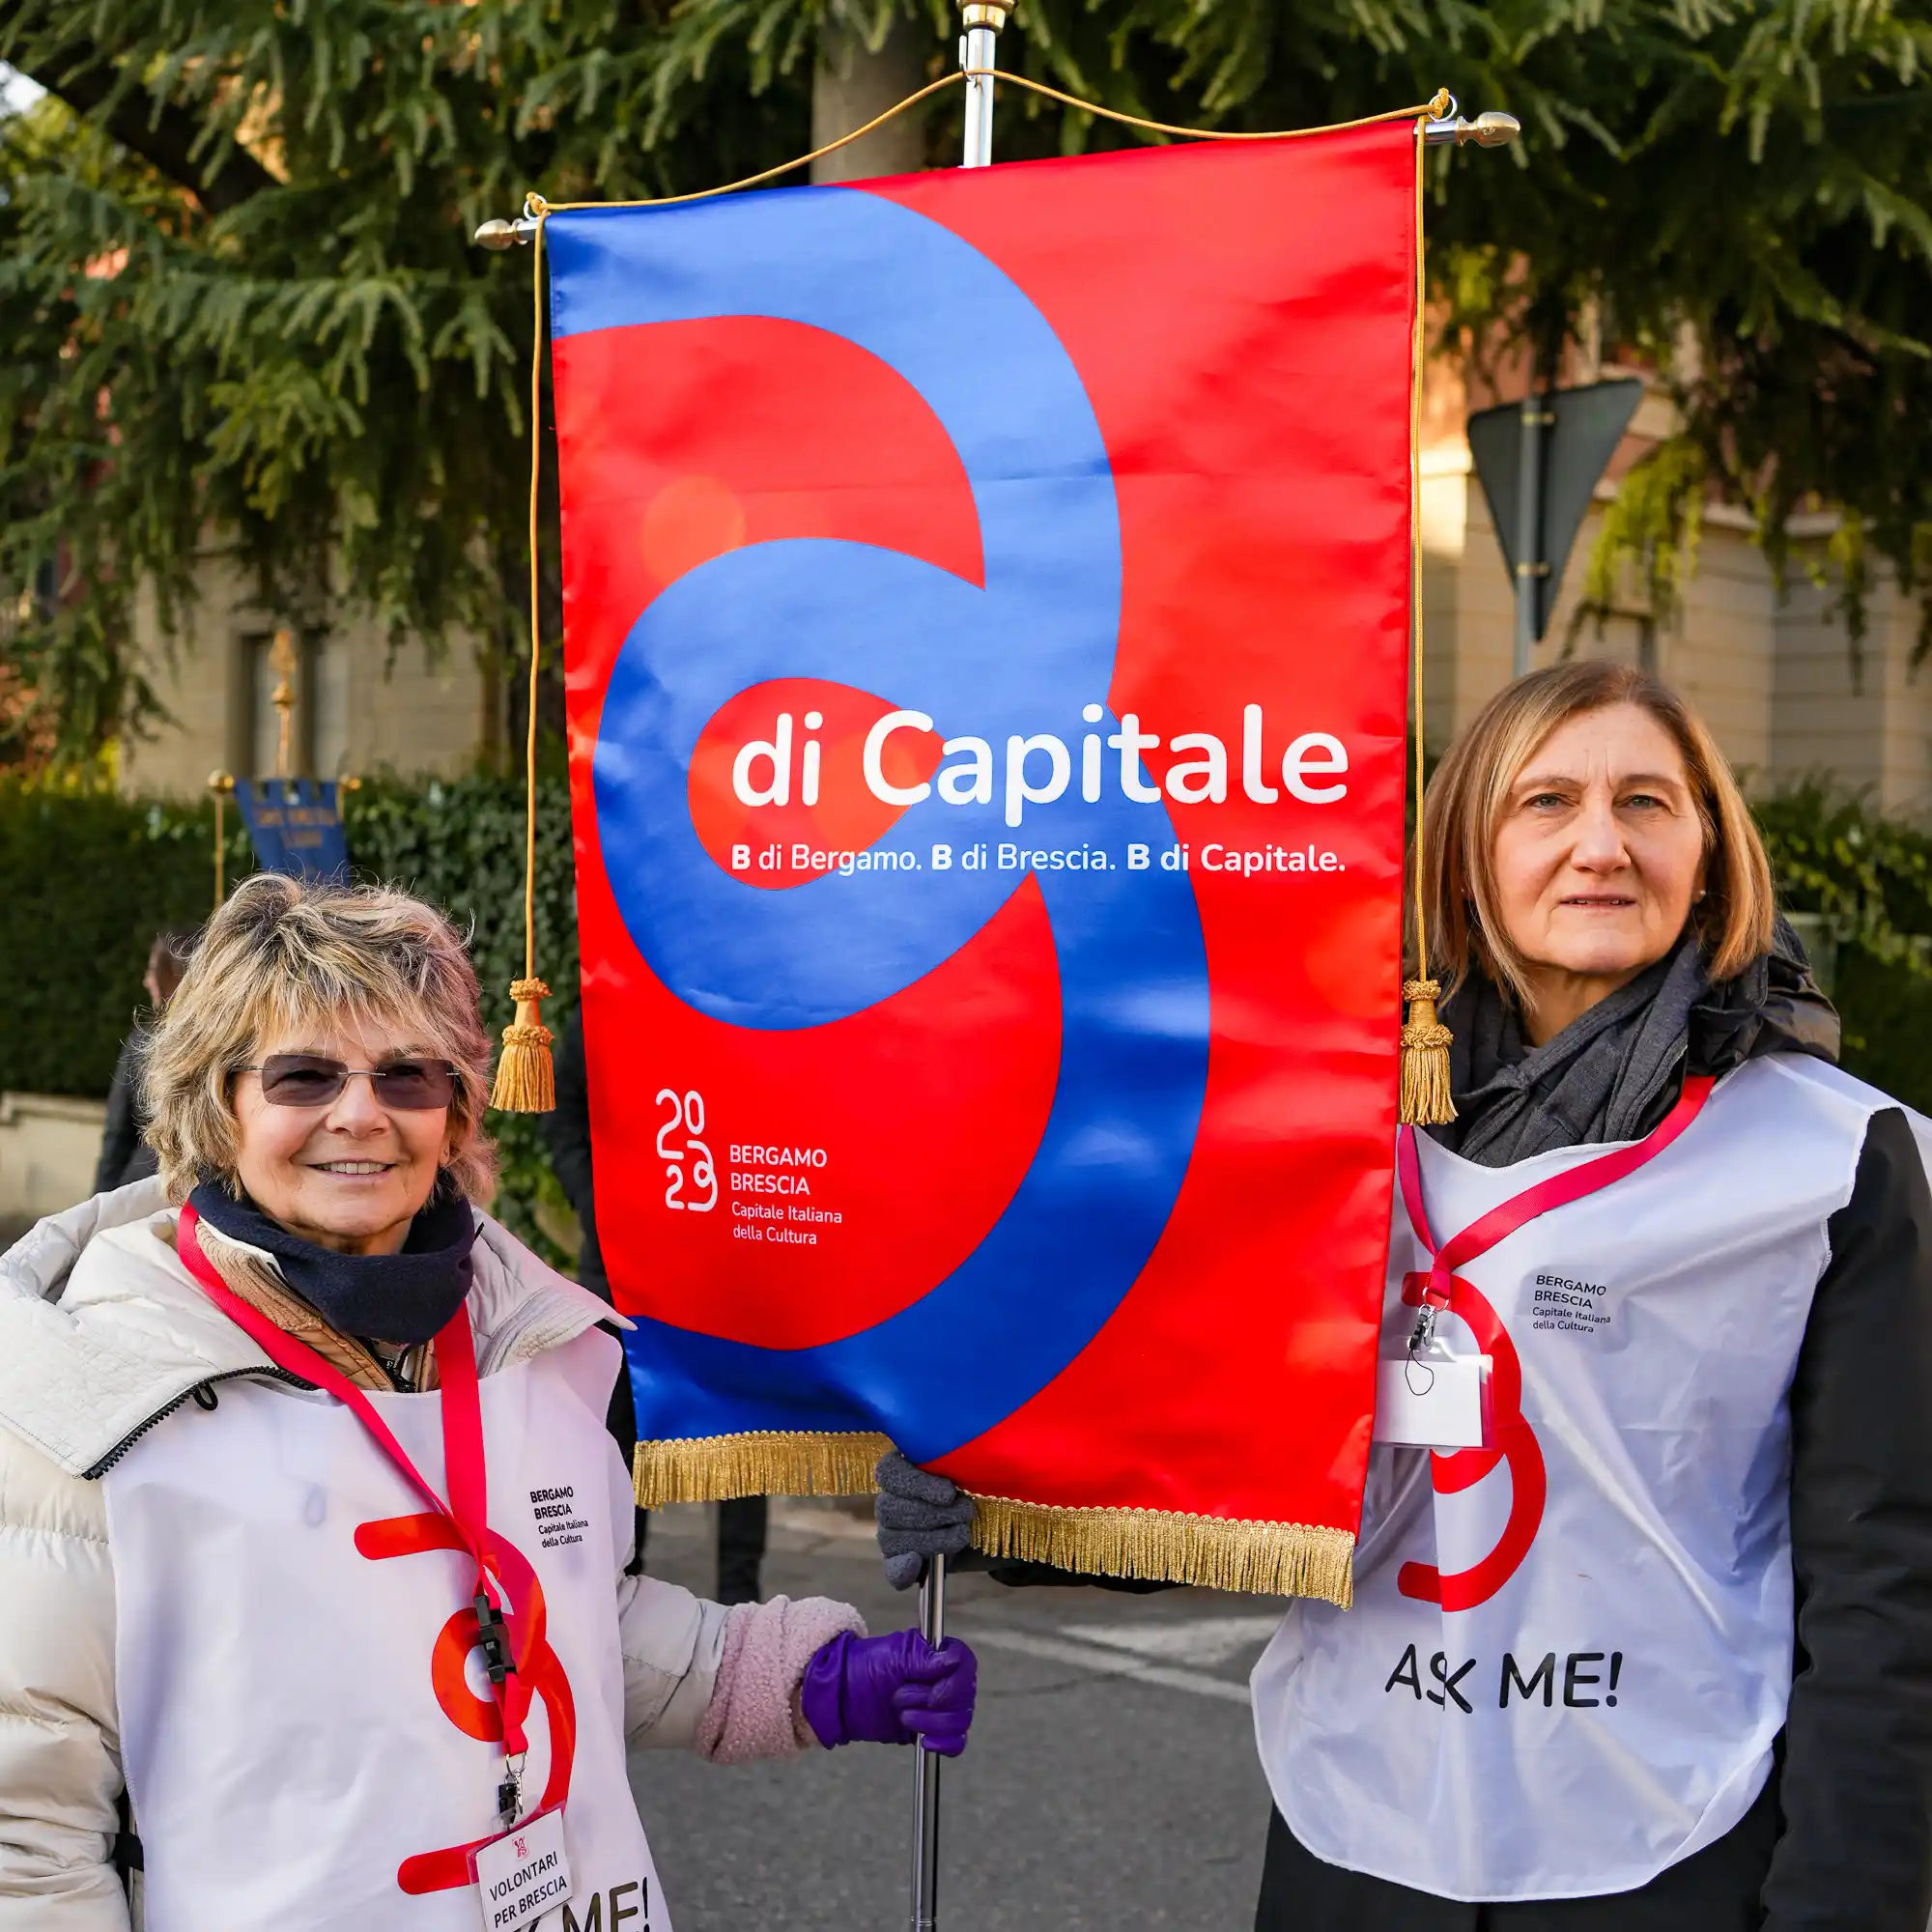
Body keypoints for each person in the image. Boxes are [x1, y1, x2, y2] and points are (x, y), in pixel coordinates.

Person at [877, 661, 1932, 1930]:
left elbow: (1886, 1595)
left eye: (1648, 802)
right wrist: (993, 1479)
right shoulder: (1332, 1131)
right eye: (1545, 802)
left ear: (1708, 851)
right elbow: (1217, 1469)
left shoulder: (1828, 1159)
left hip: (1671, 1849)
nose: (1601, 843)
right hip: (1358, 1842)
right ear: (1466, 855)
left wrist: (1846, 1909)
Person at [0, 873, 976, 1928]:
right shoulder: (88, 1389)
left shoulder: (540, 1345)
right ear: (218, 1104)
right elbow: (28, 1827)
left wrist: (803, 1678)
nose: (361, 1113)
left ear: (459, 1105)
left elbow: (570, 1623)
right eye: (303, 1074)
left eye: (408, 1074)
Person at [546, 1010, 771, 1602]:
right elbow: (565, 1117)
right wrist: (599, 1207)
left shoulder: (730, 1006)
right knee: (620, 1436)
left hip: (721, 1255)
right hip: (621, 1263)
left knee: (740, 1431)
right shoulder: (604, 1005)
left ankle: (741, 1599)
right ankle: (620, 1594)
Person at [93, 928, 196, 1192]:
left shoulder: (144, 1044)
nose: (147, 981)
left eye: (154, 970)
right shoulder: (236, 1043)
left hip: (143, 1190)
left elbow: (117, 1135)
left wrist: (100, 1204)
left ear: (174, 974)